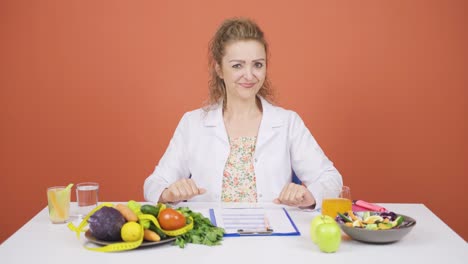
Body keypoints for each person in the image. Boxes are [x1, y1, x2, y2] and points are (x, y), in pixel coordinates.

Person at [144, 17, 342, 209]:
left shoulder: (287, 122)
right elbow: (154, 183)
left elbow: (331, 178)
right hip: (211, 239)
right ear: (219, 69)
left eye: (257, 64)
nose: (249, 75)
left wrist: (310, 196)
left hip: (274, 236)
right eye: (237, 65)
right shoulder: (192, 123)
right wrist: (167, 193)